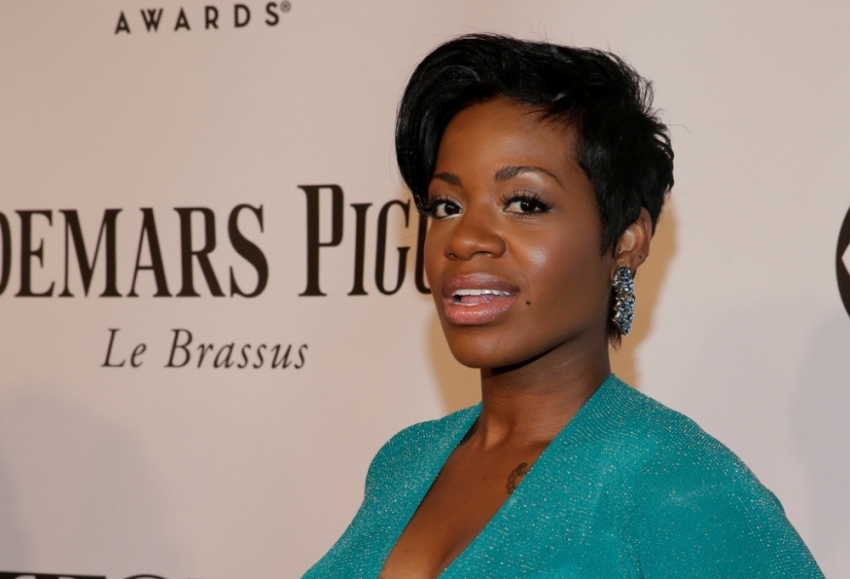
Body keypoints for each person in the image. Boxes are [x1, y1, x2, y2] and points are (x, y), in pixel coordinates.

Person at [303, 34, 824, 578]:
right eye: (446, 205)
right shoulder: (404, 464)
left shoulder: (682, 489)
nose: (464, 239)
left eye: (524, 203)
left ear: (627, 240)